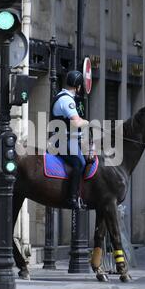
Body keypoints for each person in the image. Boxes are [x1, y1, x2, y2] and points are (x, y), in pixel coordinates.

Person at [51, 70, 89, 210]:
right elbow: (76, 122)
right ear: (78, 86)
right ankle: (71, 198)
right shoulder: (67, 100)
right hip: (61, 141)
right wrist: (87, 122)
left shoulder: (63, 97)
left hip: (67, 139)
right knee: (79, 162)